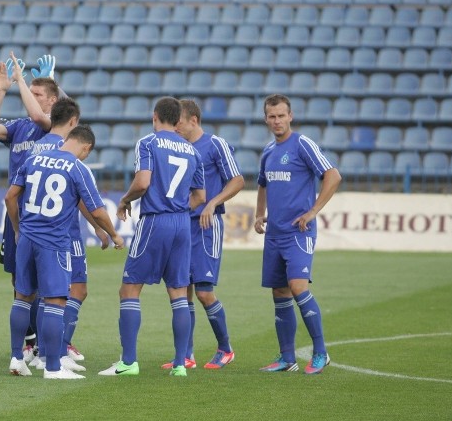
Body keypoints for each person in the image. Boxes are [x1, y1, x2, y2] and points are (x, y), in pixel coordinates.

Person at [5, 125, 125, 379]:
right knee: (56, 301)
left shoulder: (33, 159)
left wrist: (18, 229)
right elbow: (98, 210)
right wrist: (114, 234)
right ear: (85, 147)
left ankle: (17, 358)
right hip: (54, 242)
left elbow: (9, 197)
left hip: (26, 237)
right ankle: (52, 367)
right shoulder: (77, 168)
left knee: (22, 297)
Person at [99, 97, 206, 377]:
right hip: (182, 224)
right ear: (178, 119)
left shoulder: (148, 143)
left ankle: (129, 362)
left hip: (155, 221)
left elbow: (143, 181)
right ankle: (181, 364)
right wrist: (180, 208)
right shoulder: (193, 151)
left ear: (155, 116)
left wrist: (124, 199)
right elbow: (201, 197)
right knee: (179, 293)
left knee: (129, 289)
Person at [254, 94, 342, 375]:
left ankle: (321, 353)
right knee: (279, 292)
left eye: (281, 115)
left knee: (298, 287)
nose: (277, 121)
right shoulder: (268, 151)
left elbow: (333, 175)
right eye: (272, 116)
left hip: (299, 233)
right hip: (274, 234)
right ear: (266, 119)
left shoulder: (303, 144)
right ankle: (287, 358)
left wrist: (313, 211)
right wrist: (259, 214)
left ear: (290, 116)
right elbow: (262, 184)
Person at [22, 97, 110, 373]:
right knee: (67, 293)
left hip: (30, 228)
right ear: (73, 123)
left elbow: (16, 191)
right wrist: (107, 230)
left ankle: (32, 352)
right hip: (62, 231)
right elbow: (85, 198)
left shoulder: (38, 148)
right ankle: (55, 353)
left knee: (31, 293)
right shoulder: (71, 160)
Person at [0, 53, 63, 360]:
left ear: (53, 100)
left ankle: (47, 344)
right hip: (16, 213)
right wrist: (2, 90)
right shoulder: (19, 127)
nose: (32, 96)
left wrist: (21, 80)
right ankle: (29, 340)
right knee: (19, 279)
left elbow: (41, 117)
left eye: (38, 93)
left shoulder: (50, 127)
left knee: (46, 282)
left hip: (42, 215)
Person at [160, 99, 244, 370]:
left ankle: (225, 348)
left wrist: (212, 202)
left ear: (193, 120)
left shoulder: (215, 144)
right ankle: (186, 355)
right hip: (183, 224)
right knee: (183, 291)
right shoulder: (178, 147)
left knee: (205, 292)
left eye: (180, 122)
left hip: (207, 225)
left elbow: (238, 180)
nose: (176, 127)